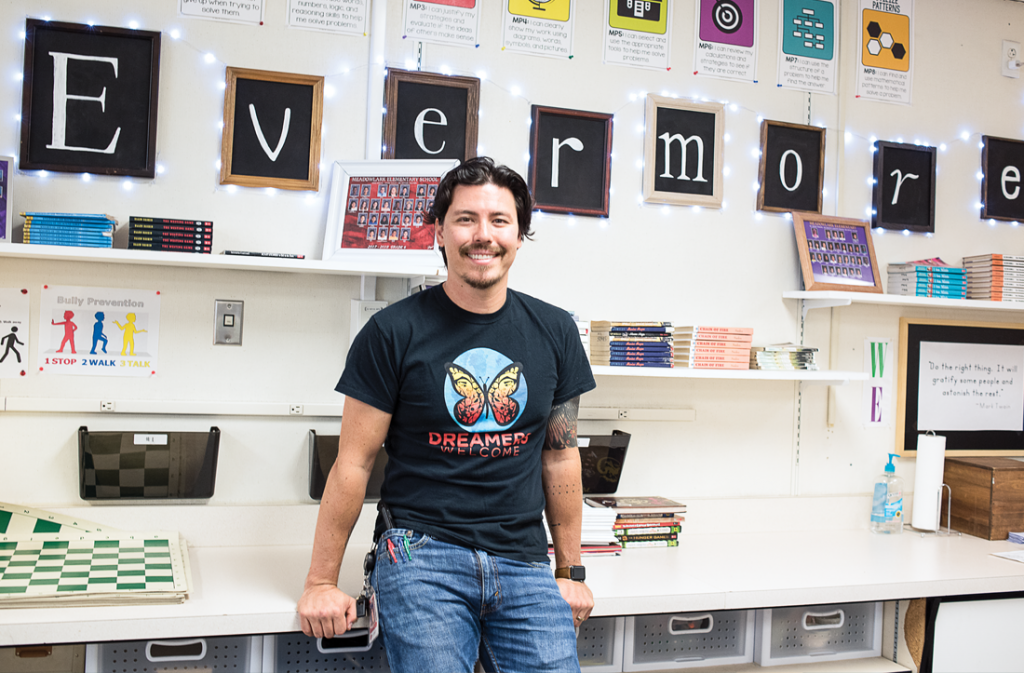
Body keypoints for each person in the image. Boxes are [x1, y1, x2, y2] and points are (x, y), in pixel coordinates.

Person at [297, 157, 596, 673]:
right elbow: (353, 464)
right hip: (419, 555)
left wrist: (570, 570)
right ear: (439, 231)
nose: (484, 235)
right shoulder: (392, 332)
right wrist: (321, 582)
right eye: (466, 219)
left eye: (499, 221)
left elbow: (560, 457)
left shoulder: (555, 332)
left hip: (524, 560)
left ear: (519, 236)